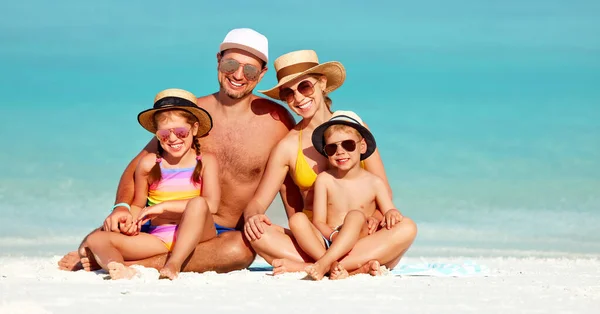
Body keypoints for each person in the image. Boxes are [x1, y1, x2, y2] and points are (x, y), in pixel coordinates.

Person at [58, 28, 297, 273]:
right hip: (161, 222)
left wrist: (303, 235)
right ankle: (114, 255)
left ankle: (126, 263)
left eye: (249, 70)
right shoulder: (192, 114)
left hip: (217, 232)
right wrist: (122, 208)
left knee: (240, 252)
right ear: (218, 60)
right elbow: (137, 168)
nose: (238, 75)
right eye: (231, 64)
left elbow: (289, 182)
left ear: (262, 74)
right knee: (93, 239)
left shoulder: (276, 121)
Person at [243, 50, 417, 276]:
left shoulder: (355, 129)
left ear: (322, 83)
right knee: (258, 234)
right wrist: (253, 216)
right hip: (315, 241)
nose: (298, 98)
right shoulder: (287, 147)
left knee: (407, 228)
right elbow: (257, 202)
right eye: (288, 92)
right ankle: (349, 267)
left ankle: (315, 266)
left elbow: (384, 189)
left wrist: (375, 219)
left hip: (363, 237)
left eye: (304, 86)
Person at [83, 88, 220, 280]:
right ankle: (118, 266)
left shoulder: (206, 161)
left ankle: (174, 263)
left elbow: (211, 204)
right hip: (159, 238)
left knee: (197, 203)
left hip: (198, 234)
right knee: (96, 239)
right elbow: (139, 204)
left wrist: (163, 207)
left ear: (194, 129)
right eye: (165, 134)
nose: (173, 139)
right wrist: (131, 221)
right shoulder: (148, 163)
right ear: (156, 134)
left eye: (181, 132)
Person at [293, 111, 405, 280]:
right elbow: (318, 221)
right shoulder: (325, 180)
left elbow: (389, 209)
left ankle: (322, 264)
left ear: (362, 146)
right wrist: (333, 236)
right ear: (326, 153)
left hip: (358, 243)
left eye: (348, 145)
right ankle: (343, 267)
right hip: (326, 240)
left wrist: (391, 213)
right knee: (297, 220)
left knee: (406, 226)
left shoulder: (375, 183)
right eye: (332, 147)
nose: (340, 151)